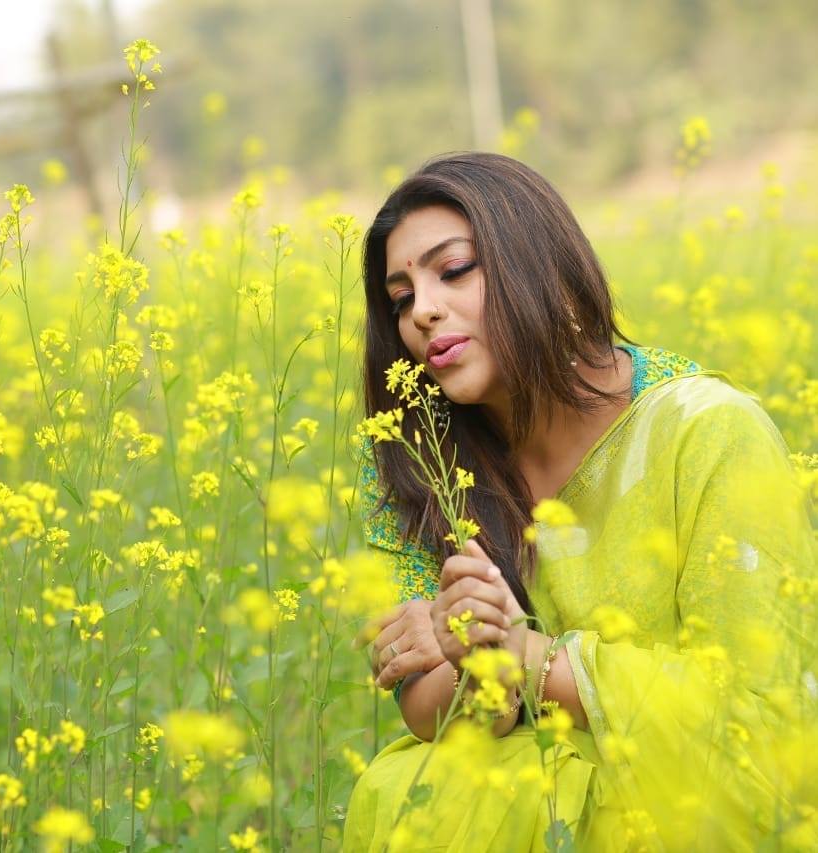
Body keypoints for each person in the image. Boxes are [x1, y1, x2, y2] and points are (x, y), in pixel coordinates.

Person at [341, 152, 818, 852]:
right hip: (524, 799)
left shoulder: (706, 431)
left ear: (535, 260)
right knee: (407, 791)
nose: (423, 312)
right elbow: (421, 704)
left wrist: (523, 653)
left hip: (689, 806)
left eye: (452, 270)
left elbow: (764, 724)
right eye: (400, 297)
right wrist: (472, 659)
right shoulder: (423, 461)